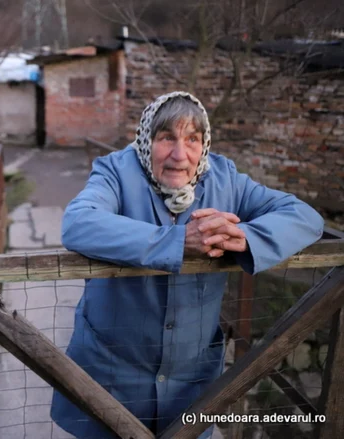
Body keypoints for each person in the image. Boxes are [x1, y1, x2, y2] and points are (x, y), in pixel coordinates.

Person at [50, 91, 324, 438]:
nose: (181, 155)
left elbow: (305, 216)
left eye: (192, 139)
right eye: (167, 138)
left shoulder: (226, 179)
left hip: (190, 384)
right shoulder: (116, 171)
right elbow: (78, 224)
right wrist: (180, 241)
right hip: (111, 377)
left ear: (204, 142)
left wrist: (246, 237)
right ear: (148, 139)